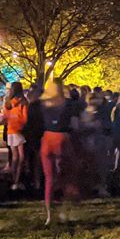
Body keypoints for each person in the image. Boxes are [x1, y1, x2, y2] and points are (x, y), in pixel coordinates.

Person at [39, 78, 80, 226]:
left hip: (47, 139)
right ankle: (65, 210)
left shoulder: (43, 103)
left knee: (49, 178)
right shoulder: (68, 104)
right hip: (63, 138)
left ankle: (49, 215)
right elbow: (75, 125)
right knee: (67, 175)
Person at [2, 82, 28, 191]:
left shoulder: (7, 102)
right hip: (19, 130)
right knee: (21, 157)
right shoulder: (23, 102)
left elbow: (5, 116)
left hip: (10, 130)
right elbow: (25, 118)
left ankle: (12, 180)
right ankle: (17, 180)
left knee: (14, 156)